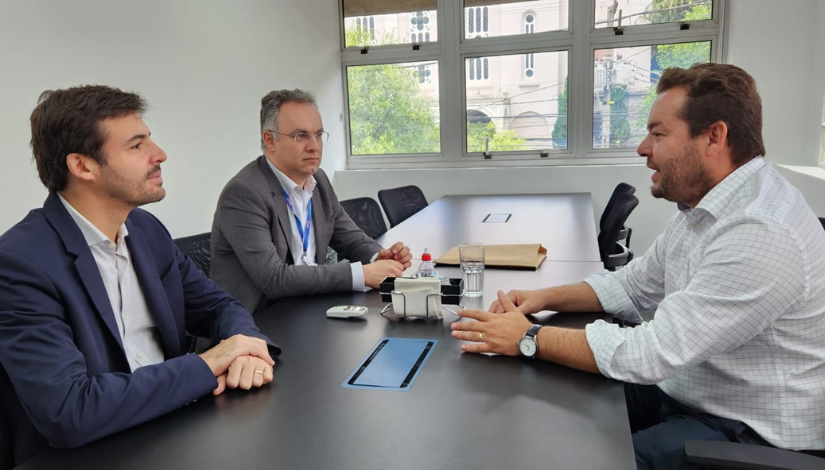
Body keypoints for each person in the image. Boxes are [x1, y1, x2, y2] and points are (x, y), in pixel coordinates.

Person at [451, 63, 825, 469]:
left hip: (748, 432)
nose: (643, 147)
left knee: (577, 457)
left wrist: (530, 337)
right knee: (547, 399)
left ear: (714, 138)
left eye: (658, 134)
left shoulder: (760, 230)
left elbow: (652, 352)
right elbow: (631, 286)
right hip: (693, 386)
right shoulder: (703, 209)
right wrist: (541, 298)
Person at [0, 85, 281, 466]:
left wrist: (247, 346)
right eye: (136, 145)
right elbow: (68, 410)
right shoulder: (20, 261)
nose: (159, 154)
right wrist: (206, 364)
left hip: (175, 430)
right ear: (82, 166)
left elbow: (217, 306)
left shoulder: (147, 231)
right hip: (92, 454)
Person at [211, 89, 411, 313]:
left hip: (308, 306)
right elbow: (274, 278)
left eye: (318, 134)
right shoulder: (244, 193)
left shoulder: (318, 180)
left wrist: (378, 256)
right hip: (258, 322)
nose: (314, 146)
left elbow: (352, 239)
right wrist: (361, 274)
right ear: (270, 140)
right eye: (301, 136)